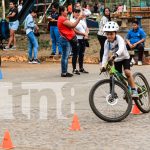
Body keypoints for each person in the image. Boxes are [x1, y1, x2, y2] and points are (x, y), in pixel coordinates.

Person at [101, 21, 139, 98]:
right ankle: (126, 90)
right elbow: (105, 55)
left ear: (115, 33)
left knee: (127, 72)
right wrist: (103, 65)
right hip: (117, 60)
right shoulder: (106, 42)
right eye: (107, 34)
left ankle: (134, 89)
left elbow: (121, 48)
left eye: (111, 34)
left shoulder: (119, 38)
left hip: (125, 58)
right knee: (118, 77)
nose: (109, 36)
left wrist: (115, 54)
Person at [57, 6, 83, 77]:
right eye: (65, 10)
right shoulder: (62, 19)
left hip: (65, 39)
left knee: (65, 56)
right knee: (65, 56)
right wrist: (79, 18)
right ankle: (64, 72)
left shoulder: (62, 18)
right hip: (65, 39)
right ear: (62, 11)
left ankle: (64, 71)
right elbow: (72, 25)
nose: (67, 11)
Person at [70, 8, 89, 74]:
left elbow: (86, 28)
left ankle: (81, 68)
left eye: (78, 12)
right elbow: (74, 30)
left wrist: (86, 34)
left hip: (83, 39)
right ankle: (74, 69)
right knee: (75, 54)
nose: (77, 13)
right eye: (76, 12)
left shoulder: (82, 20)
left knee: (82, 54)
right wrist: (83, 34)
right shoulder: (72, 21)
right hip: (76, 39)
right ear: (73, 13)